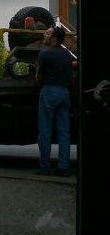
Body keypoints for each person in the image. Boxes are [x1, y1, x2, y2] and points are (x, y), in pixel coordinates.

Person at [36, 25, 74, 176]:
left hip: (49, 92)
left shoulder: (45, 53)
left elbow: (39, 76)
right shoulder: (67, 54)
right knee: (64, 132)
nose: (45, 35)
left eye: (48, 33)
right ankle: (63, 167)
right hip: (64, 93)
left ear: (54, 38)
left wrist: (40, 82)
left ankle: (45, 167)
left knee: (45, 131)